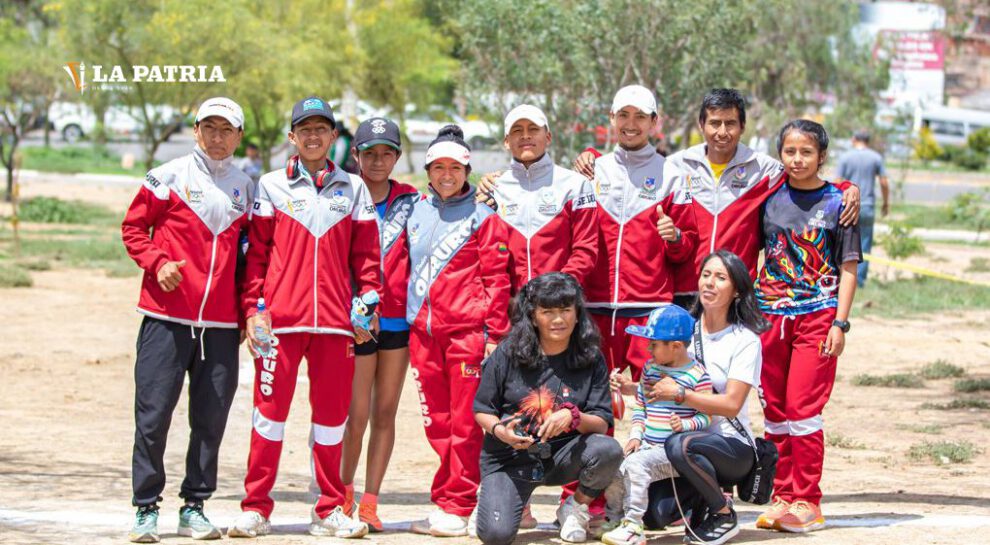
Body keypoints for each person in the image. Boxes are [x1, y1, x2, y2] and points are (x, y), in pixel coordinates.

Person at [229, 96, 380, 539]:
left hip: (337, 327)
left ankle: (330, 508)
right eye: (304, 129)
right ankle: (256, 507)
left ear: (334, 137)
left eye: (322, 129)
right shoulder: (271, 185)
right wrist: (253, 310)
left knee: (332, 422)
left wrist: (368, 303)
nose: (313, 136)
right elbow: (255, 257)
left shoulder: (353, 190)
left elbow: (368, 261)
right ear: (292, 137)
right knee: (268, 418)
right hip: (280, 326)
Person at [573, 89, 860, 307]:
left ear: (742, 127)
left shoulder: (764, 170)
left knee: (729, 381)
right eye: (714, 123)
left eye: (730, 123)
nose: (722, 132)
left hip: (736, 293)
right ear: (702, 125)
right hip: (683, 292)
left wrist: (848, 187)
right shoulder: (675, 166)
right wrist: (594, 157)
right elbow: (631, 166)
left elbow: (807, 178)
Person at [121, 97, 253, 543]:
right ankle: (145, 508)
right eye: (209, 128)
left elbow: (251, 257)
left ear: (238, 136)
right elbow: (133, 229)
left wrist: (247, 313)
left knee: (211, 419)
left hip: (219, 327)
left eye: (227, 130)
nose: (217, 138)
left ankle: (194, 506)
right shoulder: (168, 176)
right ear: (195, 131)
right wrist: (158, 263)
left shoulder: (246, 187)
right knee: (153, 416)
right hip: (165, 317)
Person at [405, 125, 512, 537]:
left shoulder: (485, 219)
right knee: (437, 422)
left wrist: (494, 336)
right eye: (438, 167)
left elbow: (498, 282)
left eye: (454, 167)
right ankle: (449, 496)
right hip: (422, 335)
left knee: (467, 425)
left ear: (466, 169)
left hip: (467, 335)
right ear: (429, 169)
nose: (446, 174)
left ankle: (459, 502)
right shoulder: (416, 210)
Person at [754, 120, 860, 533]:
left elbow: (848, 268)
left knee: (803, 410)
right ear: (780, 154)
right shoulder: (767, 198)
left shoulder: (839, 203)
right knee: (775, 411)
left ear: (822, 157)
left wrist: (841, 323)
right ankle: (782, 495)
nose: (797, 160)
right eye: (790, 152)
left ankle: (808, 500)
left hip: (817, 317)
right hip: (769, 317)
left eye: (806, 152)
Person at [473, 272, 623, 545]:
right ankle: (500, 496)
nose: (558, 319)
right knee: (496, 535)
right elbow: (482, 409)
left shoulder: (591, 356)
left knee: (608, 449)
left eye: (566, 310)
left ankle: (575, 508)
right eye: (548, 311)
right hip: (510, 457)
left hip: (564, 457)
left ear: (577, 314)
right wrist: (499, 430)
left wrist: (573, 416)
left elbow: (602, 422)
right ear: (532, 316)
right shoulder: (507, 352)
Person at [642, 250, 770, 545]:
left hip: (732, 447)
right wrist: (628, 387)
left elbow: (731, 404)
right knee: (654, 515)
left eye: (721, 278)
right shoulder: (685, 329)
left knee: (679, 444)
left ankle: (724, 513)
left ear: (737, 290)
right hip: (690, 442)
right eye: (706, 275)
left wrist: (681, 395)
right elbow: (661, 384)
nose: (710, 283)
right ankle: (702, 501)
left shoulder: (745, 340)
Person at [586, 84, 698, 384]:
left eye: (640, 116)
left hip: (649, 309)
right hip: (594, 306)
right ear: (611, 118)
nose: (631, 124)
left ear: (653, 121)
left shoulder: (672, 175)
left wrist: (674, 236)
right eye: (623, 115)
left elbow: (689, 245)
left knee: (653, 398)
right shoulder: (592, 171)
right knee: (593, 402)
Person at [340, 117, 419, 532]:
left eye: (386, 153)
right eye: (369, 153)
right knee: (354, 415)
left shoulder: (412, 200)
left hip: (397, 322)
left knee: (384, 414)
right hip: (355, 324)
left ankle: (370, 501)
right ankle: (343, 497)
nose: (377, 161)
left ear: (397, 157)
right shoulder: (342, 194)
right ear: (356, 155)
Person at [602, 305, 713, 545]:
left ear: (676, 346)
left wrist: (685, 424)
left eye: (654, 344)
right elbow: (641, 407)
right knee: (615, 467)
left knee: (636, 466)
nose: (648, 349)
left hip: (675, 452)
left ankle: (633, 526)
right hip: (647, 445)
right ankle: (615, 517)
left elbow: (707, 418)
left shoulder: (698, 375)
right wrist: (635, 435)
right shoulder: (650, 369)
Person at [480, 104, 599, 292]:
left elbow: (586, 250)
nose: (526, 135)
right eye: (517, 130)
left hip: (560, 305)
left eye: (533, 129)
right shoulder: (493, 188)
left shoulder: (575, 185)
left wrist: (558, 290)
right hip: (512, 307)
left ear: (548, 137)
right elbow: (489, 254)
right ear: (506, 141)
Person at [837, 130, 888, 286]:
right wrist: (886, 203)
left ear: (854, 139)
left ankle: (843, 279)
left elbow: (838, 181)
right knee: (864, 243)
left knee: (842, 243)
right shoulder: (876, 157)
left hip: (847, 206)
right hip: (867, 206)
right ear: (868, 141)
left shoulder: (845, 157)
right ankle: (859, 281)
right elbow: (884, 182)